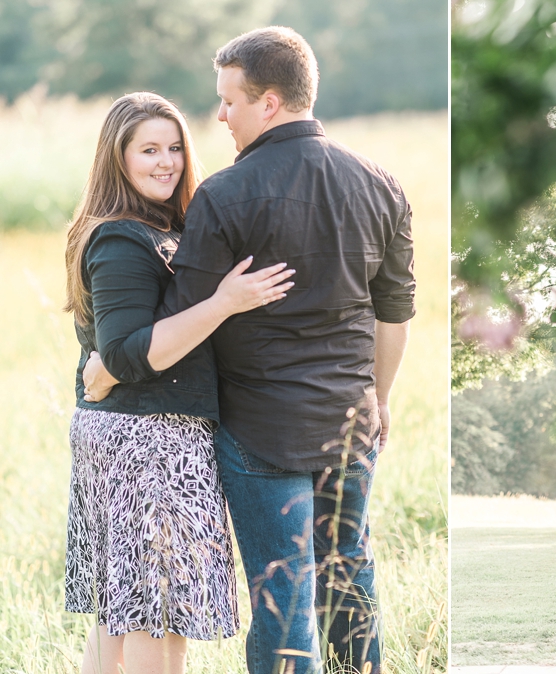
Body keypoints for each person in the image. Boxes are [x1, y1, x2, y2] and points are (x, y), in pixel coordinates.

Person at [87, 27, 415, 674]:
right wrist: (378, 401)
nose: (220, 116)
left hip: (260, 429)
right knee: (349, 574)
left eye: (229, 101)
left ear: (268, 102)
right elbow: (394, 316)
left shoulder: (224, 194)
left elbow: (184, 321)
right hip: (350, 422)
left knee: (281, 592)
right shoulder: (382, 186)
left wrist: (107, 364)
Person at [65, 93, 295, 674]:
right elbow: (125, 350)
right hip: (148, 440)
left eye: (174, 148)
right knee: (155, 611)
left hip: (146, 431)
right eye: (148, 149)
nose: (165, 161)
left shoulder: (161, 227)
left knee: (127, 612)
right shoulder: (121, 238)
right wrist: (226, 302)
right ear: (116, 158)